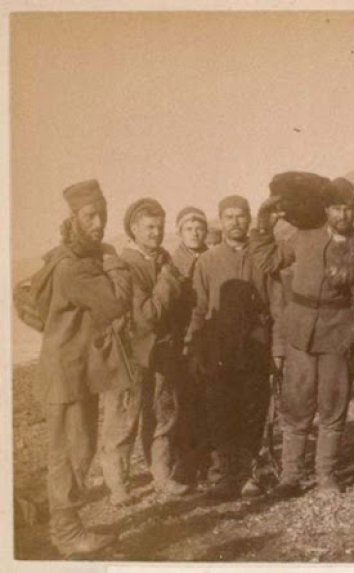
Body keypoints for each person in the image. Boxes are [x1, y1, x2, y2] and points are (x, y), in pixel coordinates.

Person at [16, 180, 132, 555]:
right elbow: (115, 304)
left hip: (66, 371)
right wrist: (115, 262)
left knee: (72, 450)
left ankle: (66, 525)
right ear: (73, 218)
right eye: (90, 216)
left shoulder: (58, 257)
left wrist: (61, 333)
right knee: (72, 453)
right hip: (68, 377)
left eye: (102, 213)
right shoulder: (76, 267)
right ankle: (66, 534)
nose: (99, 222)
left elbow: (26, 298)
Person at [251, 177, 354, 497]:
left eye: (349, 209)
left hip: (339, 333)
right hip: (300, 332)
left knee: (333, 405)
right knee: (296, 404)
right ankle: (290, 476)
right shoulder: (303, 236)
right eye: (337, 208)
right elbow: (267, 261)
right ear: (326, 209)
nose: (343, 216)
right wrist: (263, 227)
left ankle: (326, 476)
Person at [99, 199, 191, 505]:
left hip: (162, 352)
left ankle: (161, 475)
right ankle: (117, 484)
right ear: (133, 229)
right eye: (149, 227)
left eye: (160, 226)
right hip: (129, 354)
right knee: (124, 419)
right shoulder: (127, 264)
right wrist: (167, 281)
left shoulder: (164, 258)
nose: (156, 232)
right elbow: (148, 315)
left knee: (163, 414)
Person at [186, 195, 274, 498]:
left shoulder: (261, 256)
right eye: (229, 217)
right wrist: (194, 347)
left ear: (249, 219)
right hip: (219, 348)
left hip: (255, 345)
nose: (236, 223)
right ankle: (225, 475)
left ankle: (251, 473)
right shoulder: (207, 261)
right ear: (220, 222)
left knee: (253, 407)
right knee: (223, 410)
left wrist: (278, 348)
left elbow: (275, 302)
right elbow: (197, 308)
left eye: (241, 216)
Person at [169, 206, 211, 484]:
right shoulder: (173, 263)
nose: (195, 233)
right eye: (188, 229)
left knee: (209, 401)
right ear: (179, 233)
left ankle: (207, 460)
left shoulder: (213, 257)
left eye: (199, 228)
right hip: (182, 340)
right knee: (185, 404)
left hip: (210, 337)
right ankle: (185, 463)